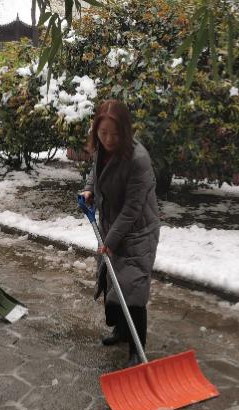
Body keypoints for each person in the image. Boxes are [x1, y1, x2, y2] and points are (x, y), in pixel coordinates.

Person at [81, 100, 160, 367]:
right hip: (112, 225)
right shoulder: (100, 150)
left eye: (115, 134)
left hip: (138, 231)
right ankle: (121, 332)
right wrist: (89, 190)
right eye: (103, 133)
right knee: (111, 281)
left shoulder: (138, 160)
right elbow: (95, 174)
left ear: (125, 131)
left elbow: (132, 209)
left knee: (132, 288)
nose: (108, 139)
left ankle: (137, 350)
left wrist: (110, 241)